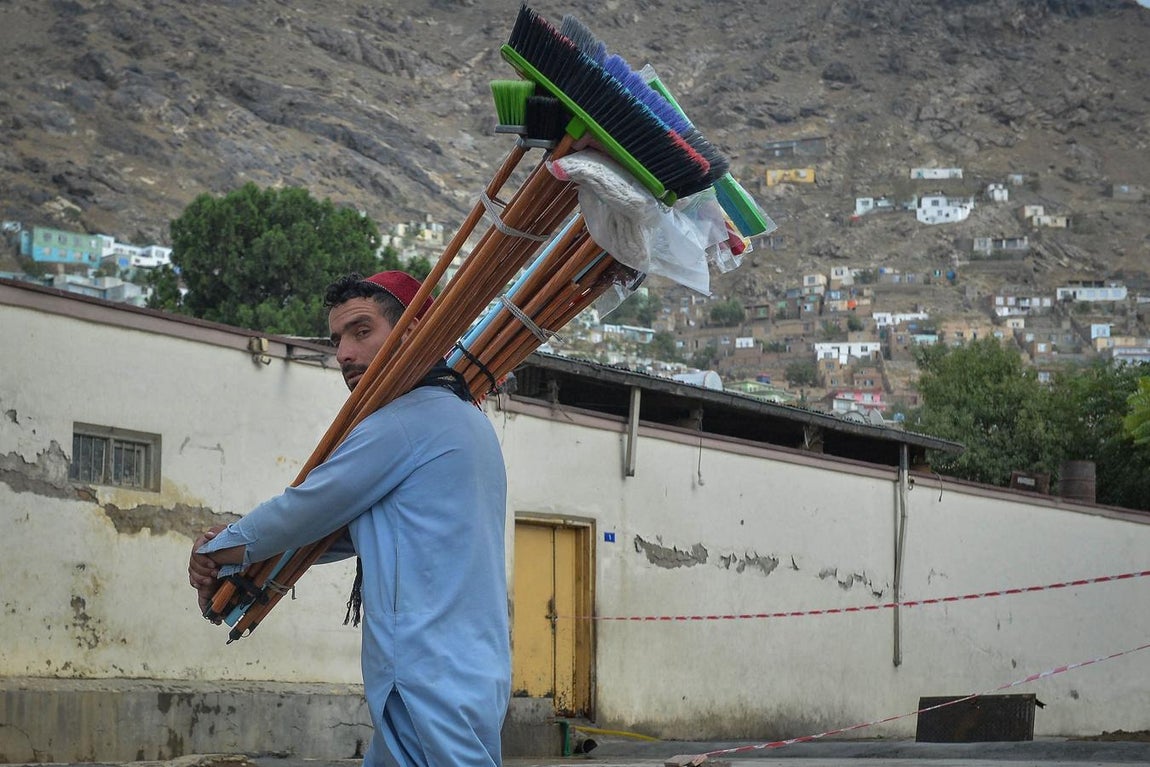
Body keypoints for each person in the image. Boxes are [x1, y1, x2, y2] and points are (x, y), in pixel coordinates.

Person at [188, 270, 511, 767]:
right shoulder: (464, 418)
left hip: (424, 670)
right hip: (464, 665)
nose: (343, 353)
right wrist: (235, 553)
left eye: (362, 331)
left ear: (411, 333)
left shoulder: (405, 421)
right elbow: (340, 534)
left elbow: (307, 509)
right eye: (337, 339)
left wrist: (216, 550)